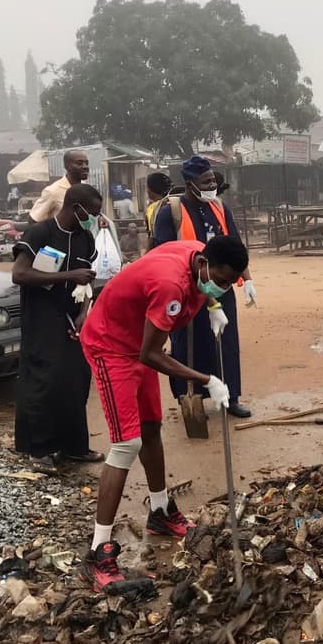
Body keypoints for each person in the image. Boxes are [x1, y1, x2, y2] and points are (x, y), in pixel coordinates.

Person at [79, 234, 244, 589]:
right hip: (111, 346)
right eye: (219, 282)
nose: (222, 288)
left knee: (151, 427)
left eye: (229, 284)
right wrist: (206, 380)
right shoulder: (170, 285)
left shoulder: (196, 253)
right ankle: (97, 551)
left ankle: (159, 512)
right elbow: (150, 355)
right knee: (127, 444)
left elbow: (196, 292)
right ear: (203, 264)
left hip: (139, 339)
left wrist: (213, 307)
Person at [152, 156, 257, 418]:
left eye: (212, 179)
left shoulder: (220, 207)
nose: (212, 185)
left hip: (220, 284)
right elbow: (163, 252)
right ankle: (192, 397)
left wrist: (248, 279)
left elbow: (235, 245)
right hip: (187, 288)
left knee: (226, 341)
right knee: (189, 343)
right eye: (206, 181)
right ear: (190, 184)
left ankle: (230, 397)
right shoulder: (170, 212)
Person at [11, 184, 104, 473]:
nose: (94, 218)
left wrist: (84, 314)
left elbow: (86, 281)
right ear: (76, 207)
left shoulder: (85, 238)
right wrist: (69, 274)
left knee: (76, 379)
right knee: (44, 381)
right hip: (42, 317)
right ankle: (40, 449)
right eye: (91, 212)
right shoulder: (40, 233)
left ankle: (74, 446)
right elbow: (20, 273)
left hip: (73, 319)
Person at [30, 150, 90, 223]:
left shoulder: (87, 190)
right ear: (67, 166)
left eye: (86, 163)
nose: (85, 167)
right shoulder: (53, 191)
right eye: (79, 163)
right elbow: (33, 220)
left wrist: (99, 219)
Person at [144, 171, 172, 246]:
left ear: (151, 190)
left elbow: (152, 237)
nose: (146, 191)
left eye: (147, 187)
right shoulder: (174, 201)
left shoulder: (153, 208)